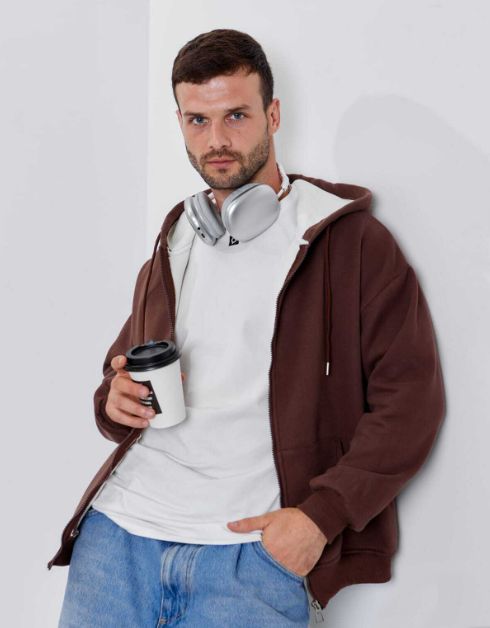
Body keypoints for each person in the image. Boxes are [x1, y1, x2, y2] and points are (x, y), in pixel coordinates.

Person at [51, 28, 445, 627]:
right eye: (198, 120)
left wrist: (320, 519)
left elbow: (411, 403)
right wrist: (114, 399)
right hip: (118, 542)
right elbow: (121, 371)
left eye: (235, 115)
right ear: (179, 123)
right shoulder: (178, 239)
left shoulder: (350, 243)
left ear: (273, 114)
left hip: (249, 558)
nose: (216, 140)